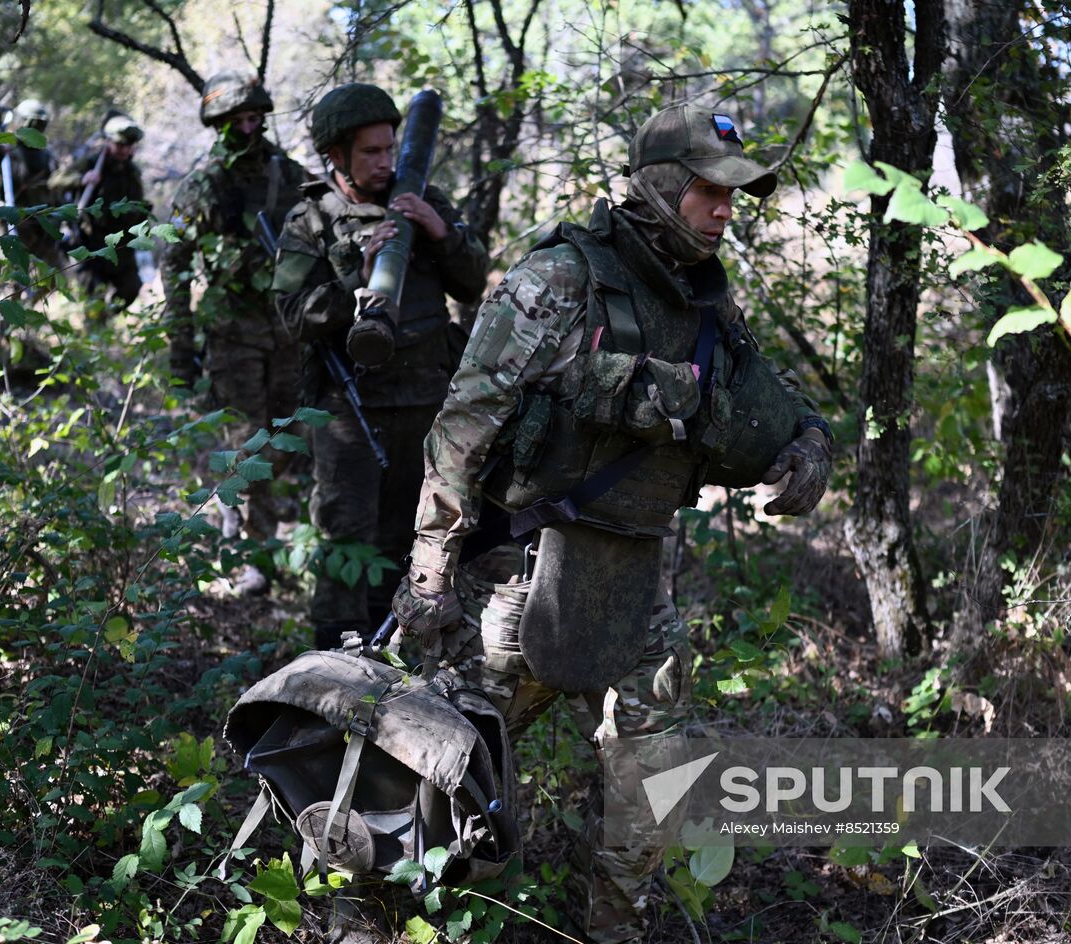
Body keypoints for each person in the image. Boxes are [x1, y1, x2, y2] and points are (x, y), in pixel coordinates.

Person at [389, 103, 833, 943]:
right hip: (521, 579)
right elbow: (463, 426)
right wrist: (429, 572)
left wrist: (810, 443)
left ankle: (615, 930)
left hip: (635, 578)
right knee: (450, 765)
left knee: (654, 774)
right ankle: (385, 912)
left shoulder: (702, 296)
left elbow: (766, 399)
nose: (726, 209)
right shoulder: (561, 278)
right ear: (662, 184)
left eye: (736, 194)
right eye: (711, 190)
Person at [272, 83, 488, 649]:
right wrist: (353, 278)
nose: (385, 162)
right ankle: (331, 666)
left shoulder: (424, 198)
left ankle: (397, 656)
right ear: (336, 155)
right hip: (351, 406)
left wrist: (439, 233)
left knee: (416, 537)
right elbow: (293, 315)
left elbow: (471, 280)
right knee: (346, 535)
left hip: (426, 398)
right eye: (370, 152)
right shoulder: (312, 218)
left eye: (390, 149)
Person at [161, 70, 309, 596]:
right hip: (232, 336)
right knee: (246, 447)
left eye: (254, 118)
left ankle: (253, 534)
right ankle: (252, 557)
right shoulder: (203, 185)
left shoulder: (289, 175)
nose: (248, 128)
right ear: (219, 124)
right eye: (237, 120)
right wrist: (180, 344)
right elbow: (174, 263)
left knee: (287, 442)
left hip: (288, 334)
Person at [50, 113, 149, 316]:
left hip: (121, 245)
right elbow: (55, 181)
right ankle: (95, 334)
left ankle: (108, 318)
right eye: (120, 145)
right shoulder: (92, 163)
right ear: (109, 142)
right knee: (92, 297)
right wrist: (82, 179)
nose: (124, 150)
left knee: (130, 288)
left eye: (128, 146)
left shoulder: (132, 172)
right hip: (91, 244)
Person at [0, 98, 61, 265]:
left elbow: (56, 191)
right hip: (11, 222)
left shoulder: (47, 155)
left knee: (50, 278)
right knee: (12, 272)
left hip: (41, 225)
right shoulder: (6, 149)